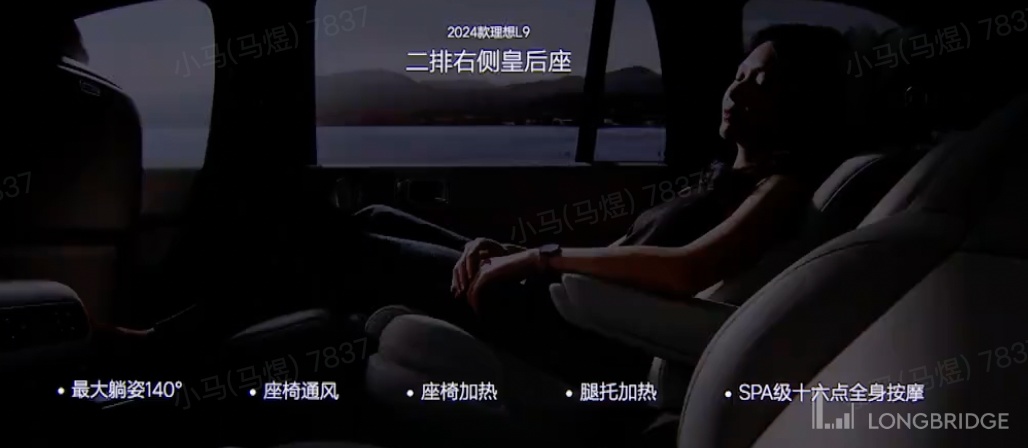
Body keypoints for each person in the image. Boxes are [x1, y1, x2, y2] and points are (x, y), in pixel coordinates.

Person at [125, 24, 851, 382]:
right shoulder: (717, 176)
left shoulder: (782, 187)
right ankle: (186, 339)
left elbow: (688, 269)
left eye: (764, 82)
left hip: (587, 329)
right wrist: (512, 251)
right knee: (370, 217)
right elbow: (633, 253)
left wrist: (537, 258)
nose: (737, 90)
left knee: (341, 246)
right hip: (567, 296)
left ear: (802, 104)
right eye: (738, 74)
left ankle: (166, 351)